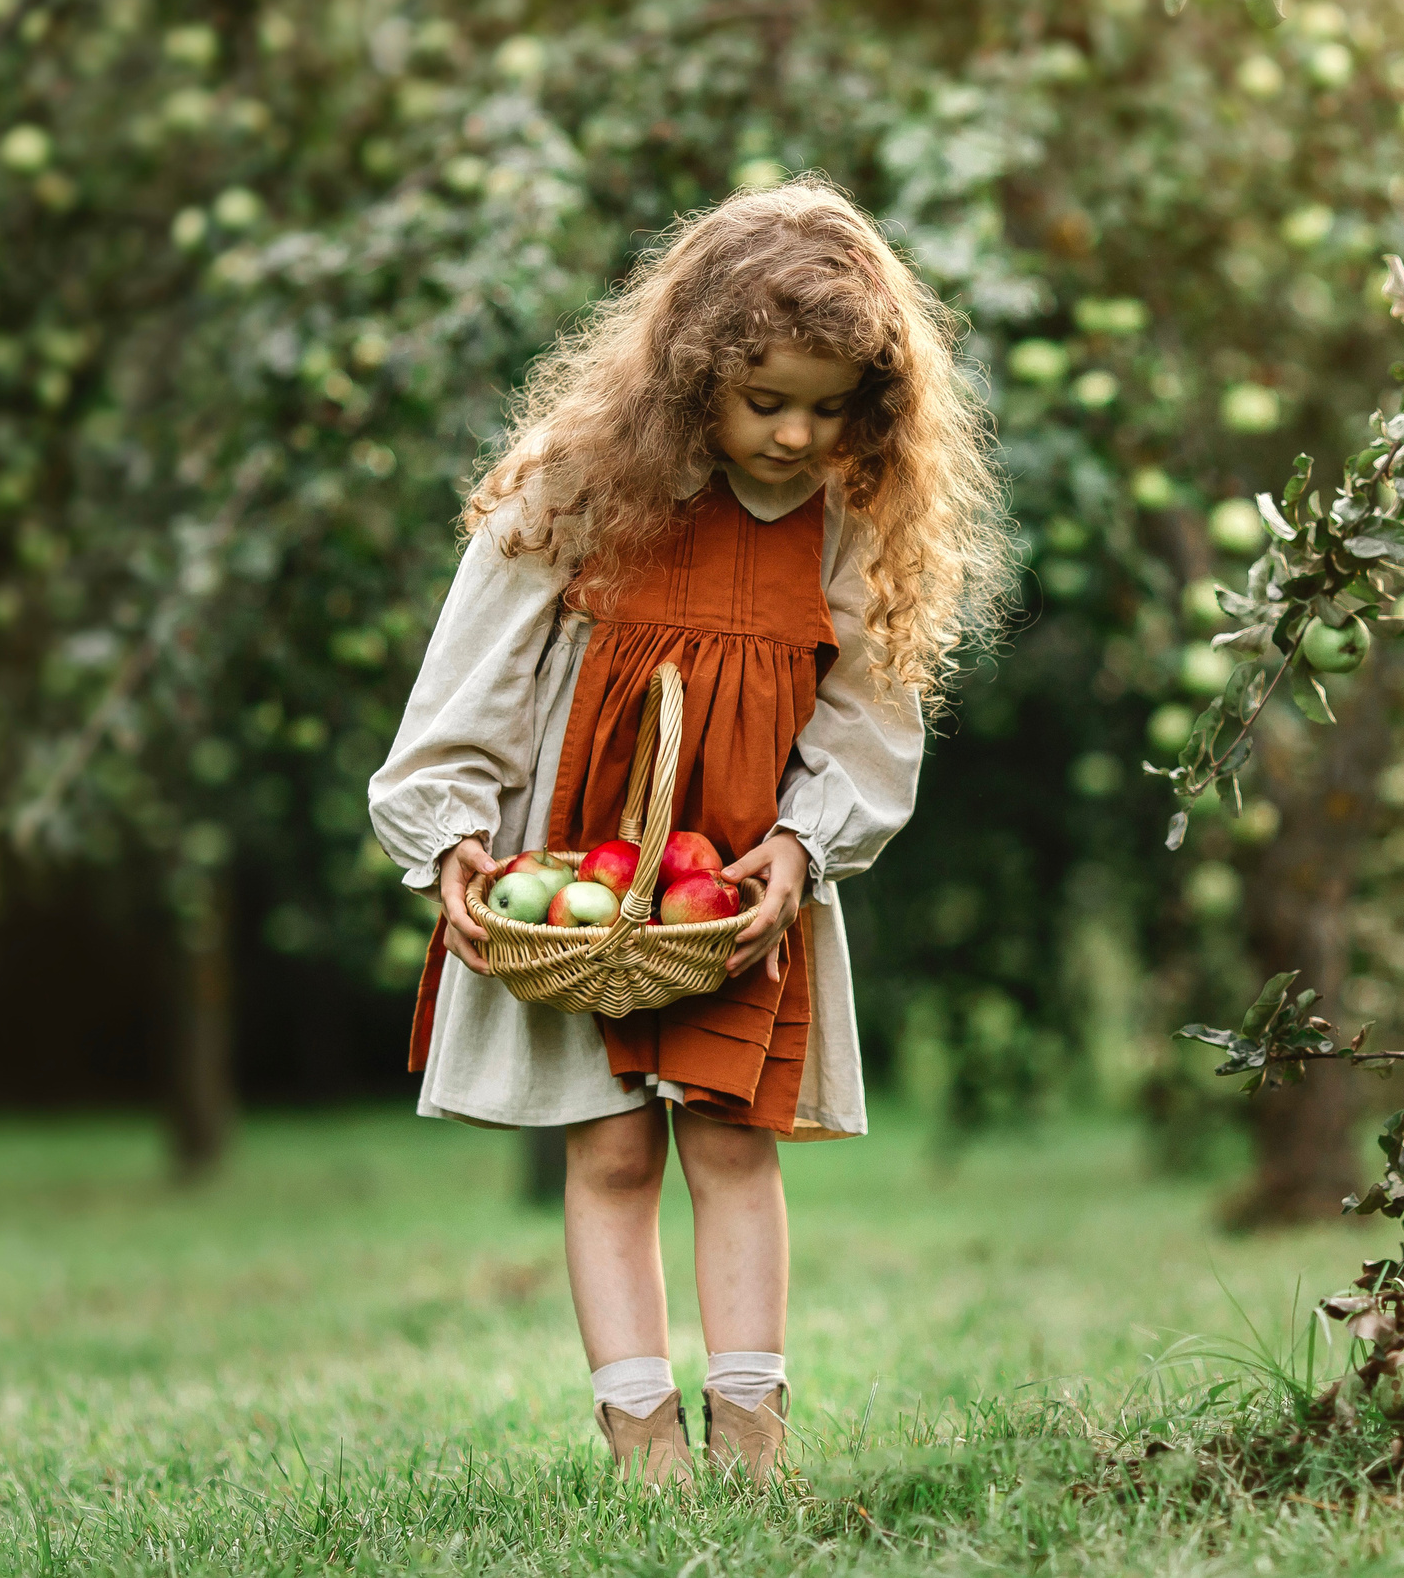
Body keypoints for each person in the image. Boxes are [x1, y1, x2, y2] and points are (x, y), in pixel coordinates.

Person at [369, 180, 1010, 1485]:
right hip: (578, 861)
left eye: (831, 407)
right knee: (608, 1145)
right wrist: (448, 838)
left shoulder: (847, 516)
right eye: (765, 399)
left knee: (729, 1134)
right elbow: (471, 677)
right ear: (689, 376)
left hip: (731, 878)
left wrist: (805, 843)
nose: (795, 433)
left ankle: (753, 1433)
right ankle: (639, 1430)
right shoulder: (579, 486)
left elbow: (869, 714)